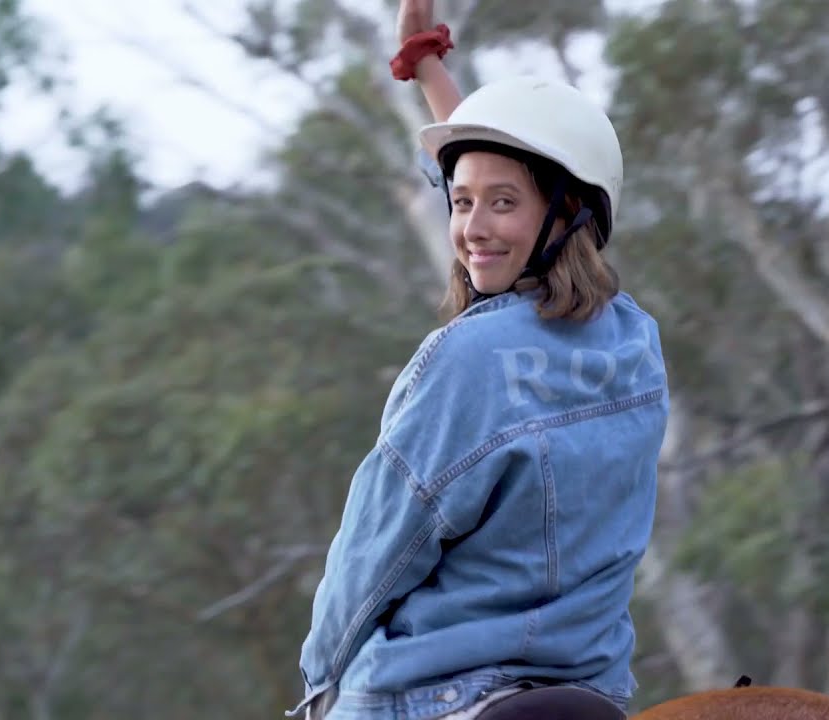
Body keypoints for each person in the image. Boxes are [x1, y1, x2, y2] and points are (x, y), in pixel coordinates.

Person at [288, 1, 670, 718]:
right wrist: (428, 67)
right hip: (592, 688)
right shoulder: (635, 343)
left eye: (501, 204)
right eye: (461, 203)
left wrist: (317, 683)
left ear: (566, 214)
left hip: (436, 692)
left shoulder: (464, 360)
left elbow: (377, 550)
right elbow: (509, 179)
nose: (471, 227)